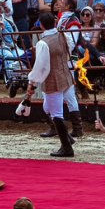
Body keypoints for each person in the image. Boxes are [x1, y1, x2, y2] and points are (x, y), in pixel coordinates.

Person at [27, 11, 76, 157]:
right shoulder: (62, 34)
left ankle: (67, 147)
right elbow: (69, 49)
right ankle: (67, 138)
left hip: (53, 78)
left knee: (55, 113)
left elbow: (40, 66)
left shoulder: (43, 43)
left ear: (41, 25)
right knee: (47, 107)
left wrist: (31, 82)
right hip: (65, 74)